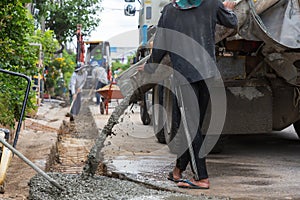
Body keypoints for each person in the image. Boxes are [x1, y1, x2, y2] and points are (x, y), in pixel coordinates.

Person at [138, 0, 238, 189]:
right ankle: (178, 171)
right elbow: (232, 23)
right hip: (209, 76)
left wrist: (150, 67)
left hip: (186, 78)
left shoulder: (169, 11)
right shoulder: (212, 4)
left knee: (191, 127)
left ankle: (202, 178)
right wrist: (228, 10)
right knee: (193, 125)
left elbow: (160, 46)